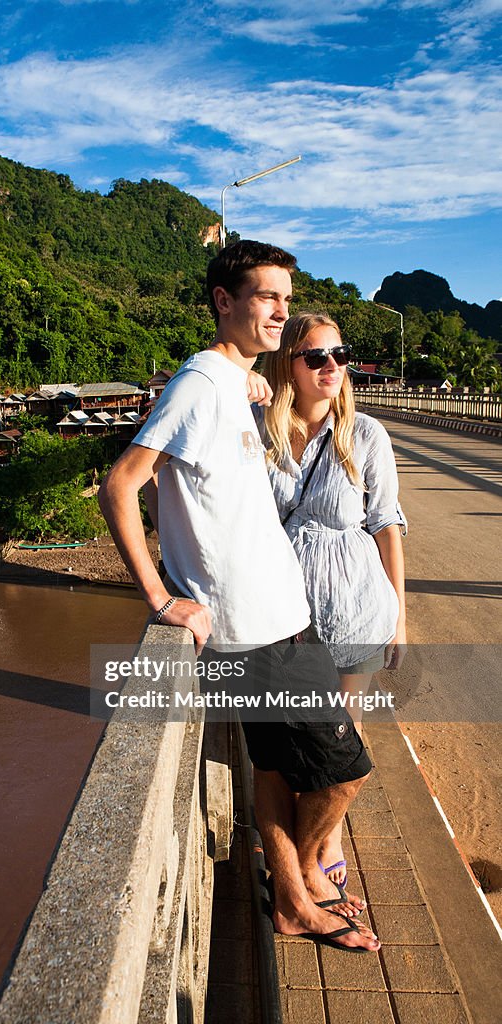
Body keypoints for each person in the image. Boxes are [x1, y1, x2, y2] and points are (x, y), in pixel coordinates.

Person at [99, 241, 380, 952]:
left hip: (279, 617)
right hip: (257, 632)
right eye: (265, 297)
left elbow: (200, 471)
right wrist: (162, 598)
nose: (280, 311)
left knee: (282, 774)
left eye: (287, 298)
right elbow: (123, 484)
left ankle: (291, 902)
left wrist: (249, 380)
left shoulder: (231, 380)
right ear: (224, 301)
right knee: (344, 773)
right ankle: (314, 869)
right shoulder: (198, 383)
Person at [258, 310, 407, 888]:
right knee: (292, 733)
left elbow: (387, 526)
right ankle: (300, 858)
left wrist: (400, 616)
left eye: (340, 356)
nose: (332, 367)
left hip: (356, 607)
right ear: (287, 365)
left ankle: (320, 842)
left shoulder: (365, 434)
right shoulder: (256, 430)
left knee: (344, 728)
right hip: (281, 612)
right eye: (317, 357)